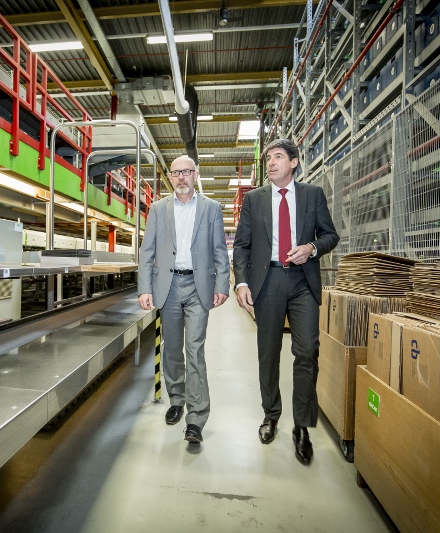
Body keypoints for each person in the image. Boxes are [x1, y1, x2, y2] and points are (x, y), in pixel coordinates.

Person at [232, 138, 339, 464]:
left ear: (294, 162)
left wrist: (312, 248)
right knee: (269, 352)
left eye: (278, 157)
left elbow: (330, 235)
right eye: (268, 159)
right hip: (269, 282)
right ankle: (271, 415)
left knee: (307, 351)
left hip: (303, 280)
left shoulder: (312, 195)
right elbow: (242, 246)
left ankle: (302, 427)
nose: (271, 163)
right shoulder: (255, 200)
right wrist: (242, 282)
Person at [138, 155, 230, 444]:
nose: (181, 177)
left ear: (196, 174)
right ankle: (176, 399)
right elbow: (147, 251)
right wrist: (145, 288)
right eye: (176, 172)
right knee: (172, 348)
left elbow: (219, 250)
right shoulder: (157, 209)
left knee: (195, 349)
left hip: (198, 285)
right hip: (168, 286)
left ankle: (197, 417)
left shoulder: (211, 208)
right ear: (170, 176)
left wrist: (223, 284)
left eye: (186, 172)